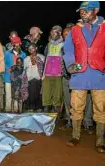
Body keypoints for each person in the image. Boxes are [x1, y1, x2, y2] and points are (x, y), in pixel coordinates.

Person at [64, 1, 105, 153]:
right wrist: (70, 65)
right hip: (79, 74)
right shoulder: (75, 30)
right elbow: (68, 50)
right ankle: (75, 136)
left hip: (99, 74)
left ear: (96, 10)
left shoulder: (104, 27)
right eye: (81, 11)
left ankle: (100, 141)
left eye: (86, 10)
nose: (82, 13)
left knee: (101, 108)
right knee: (76, 106)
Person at [42, 26, 64, 113]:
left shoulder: (64, 44)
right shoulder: (48, 45)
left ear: (59, 33)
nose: (53, 34)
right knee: (46, 94)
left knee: (57, 94)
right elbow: (46, 59)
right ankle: (46, 113)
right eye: (52, 32)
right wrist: (43, 74)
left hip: (58, 73)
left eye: (55, 32)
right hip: (47, 73)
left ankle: (57, 115)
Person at [3, 36, 26, 112]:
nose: (16, 45)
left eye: (18, 43)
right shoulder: (7, 53)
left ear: (20, 44)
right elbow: (4, 63)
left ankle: (16, 110)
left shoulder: (23, 55)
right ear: (12, 44)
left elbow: (24, 66)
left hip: (18, 79)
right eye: (15, 44)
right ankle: (8, 109)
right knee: (8, 94)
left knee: (16, 94)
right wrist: (9, 68)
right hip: (8, 76)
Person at [23, 43, 45, 112]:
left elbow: (44, 68)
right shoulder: (26, 59)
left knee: (39, 94)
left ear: (36, 48)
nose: (31, 50)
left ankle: (39, 107)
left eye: (32, 48)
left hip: (39, 78)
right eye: (29, 49)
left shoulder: (42, 57)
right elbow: (24, 70)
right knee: (31, 94)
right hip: (30, 79)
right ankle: (31, 107)